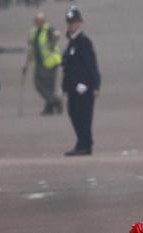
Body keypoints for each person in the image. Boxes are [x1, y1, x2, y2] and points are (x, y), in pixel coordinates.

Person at [62, 6, 100, 156]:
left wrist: (94, 85)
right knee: (74, 114)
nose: (71, 25)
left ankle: (85, 144)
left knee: (83, 116)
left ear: (79, 23)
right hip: (73, 86)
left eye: (74, 22)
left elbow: (90, 65)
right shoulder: (72, 41)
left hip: (84, 87)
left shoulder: (84, 41)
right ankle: (81, 142)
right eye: (69, 22)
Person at [23, 12, 62, 115]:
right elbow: (31, 50)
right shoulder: (33, 32)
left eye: (39, 20)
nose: (37, 22)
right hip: (39, 63)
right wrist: (26, 65)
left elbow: (57, 34)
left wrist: (52, 43)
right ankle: (56, 101)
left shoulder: (49, 29)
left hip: (51, 62)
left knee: (49, 86)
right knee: (38, 85)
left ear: (43, 21)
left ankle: (49, 109)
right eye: (36, 21)